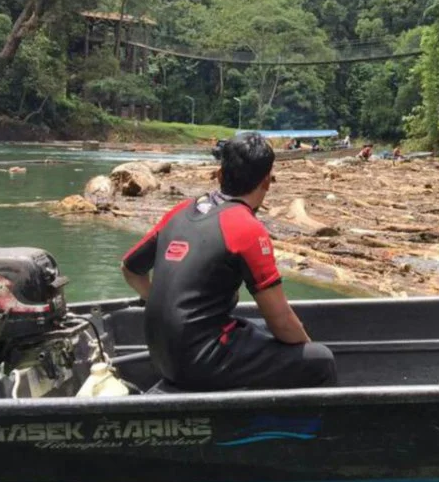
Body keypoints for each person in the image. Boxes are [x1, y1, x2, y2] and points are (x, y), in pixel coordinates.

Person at [120, 133, 338, 392]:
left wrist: (164, 304)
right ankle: (311, 431)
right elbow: (281, 322)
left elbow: (130, 269)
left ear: (220, 175)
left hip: (161, 355)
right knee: (320, 361)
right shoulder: (245, 227)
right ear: (266, 181)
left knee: (256, 328)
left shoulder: (179, 212)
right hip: (200, 362)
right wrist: (307, 351)